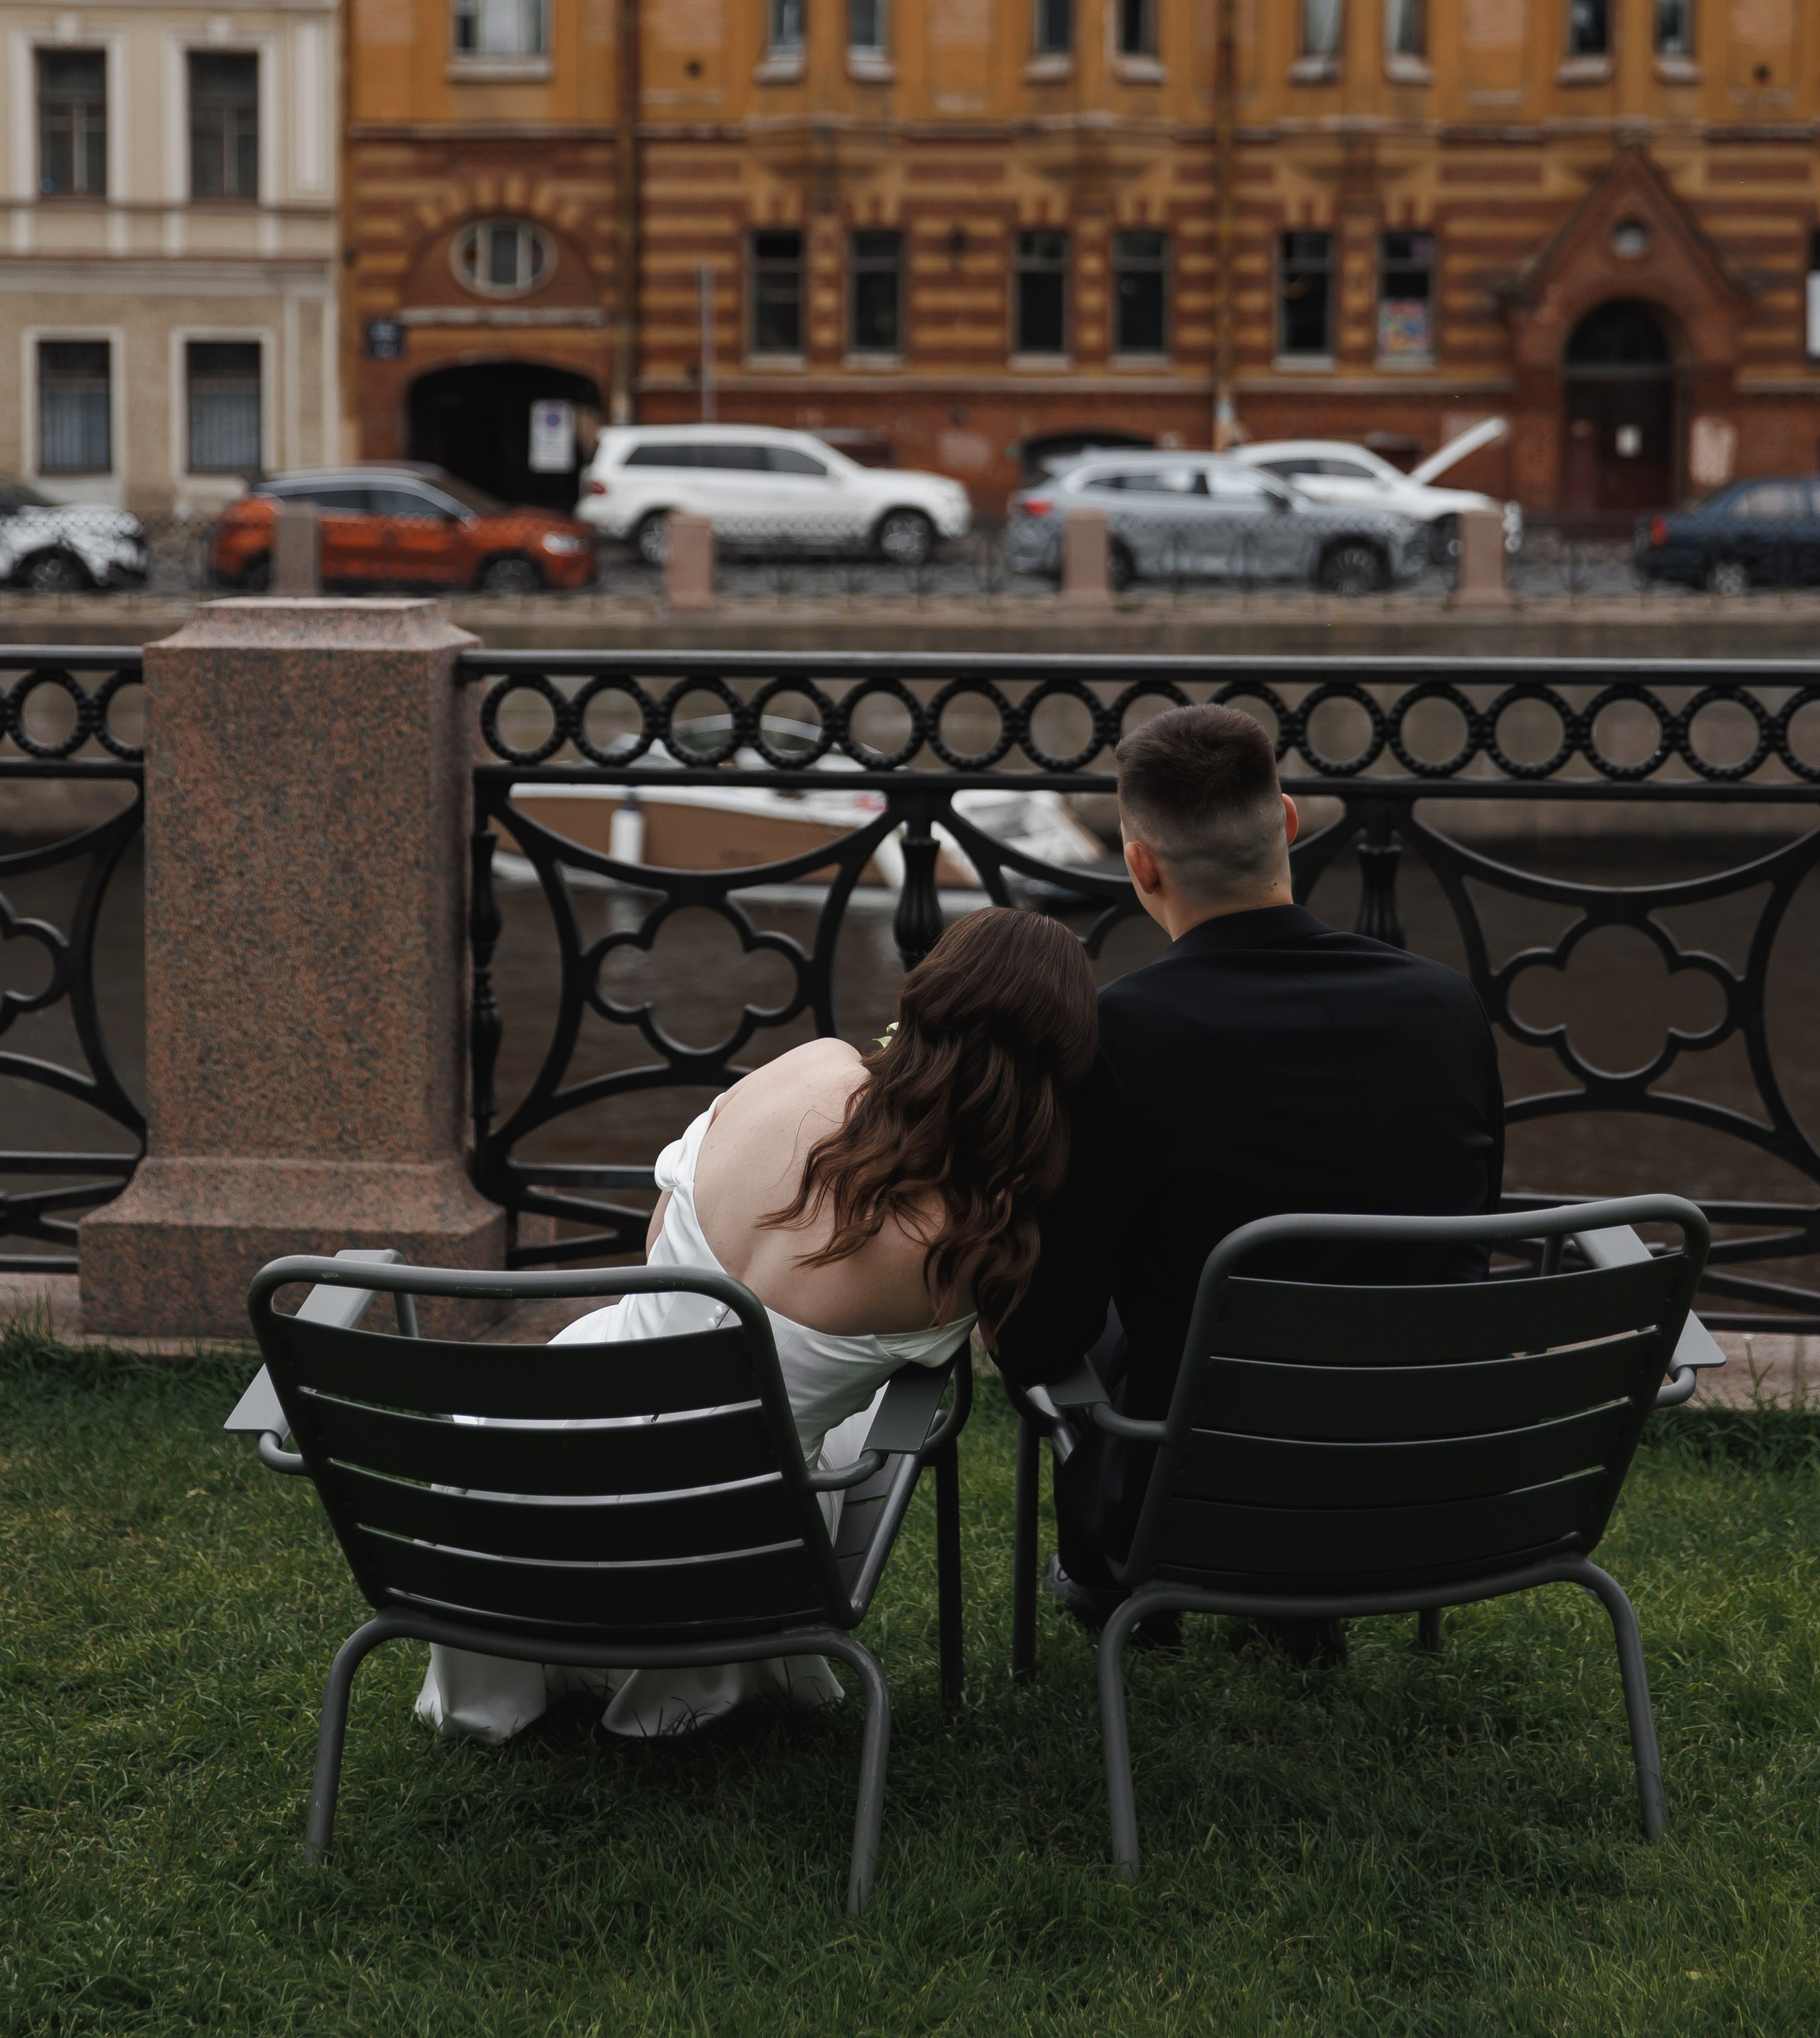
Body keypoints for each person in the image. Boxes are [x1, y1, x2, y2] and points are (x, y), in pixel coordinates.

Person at [419, 904, 1097, 1743]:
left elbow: (657, 1230)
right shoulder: (971, 1247)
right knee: (823, 1426)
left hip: (528, 1465)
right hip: (727, 1545)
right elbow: (1024, 1351)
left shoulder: (805, 1069)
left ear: (921, 999)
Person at [993, 701, 1507, 1631]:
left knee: (1107, 1317)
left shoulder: (1116, 1038)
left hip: (1189, 1511)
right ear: (1290, 823)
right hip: (1443, 1489)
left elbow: (1040, 1339)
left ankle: (1139, 1616)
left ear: (1138, 864)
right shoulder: (1448, 1007)